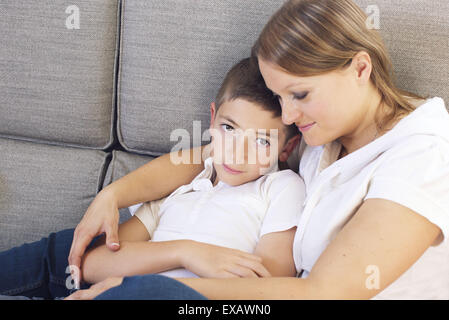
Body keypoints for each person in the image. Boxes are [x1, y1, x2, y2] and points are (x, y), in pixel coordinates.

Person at [66, 0, 449, 300]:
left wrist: (151, 290)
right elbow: (213, 154)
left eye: (299, 94)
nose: (287, 113)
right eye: (280, 97)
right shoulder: (326, 131)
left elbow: (325, 293)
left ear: (360, 70)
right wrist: (112, 195)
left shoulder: (421, 156)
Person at [0, 58, 304, 299]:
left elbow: (268, 286)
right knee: (63, 247)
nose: (238, 154)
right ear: (211, 121)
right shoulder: (184, 185)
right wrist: (186, 253)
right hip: (123, 287)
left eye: (262, 141)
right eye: (229, 129)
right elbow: (92, 264)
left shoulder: (281, 187)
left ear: (286, 148)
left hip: (179, 298)